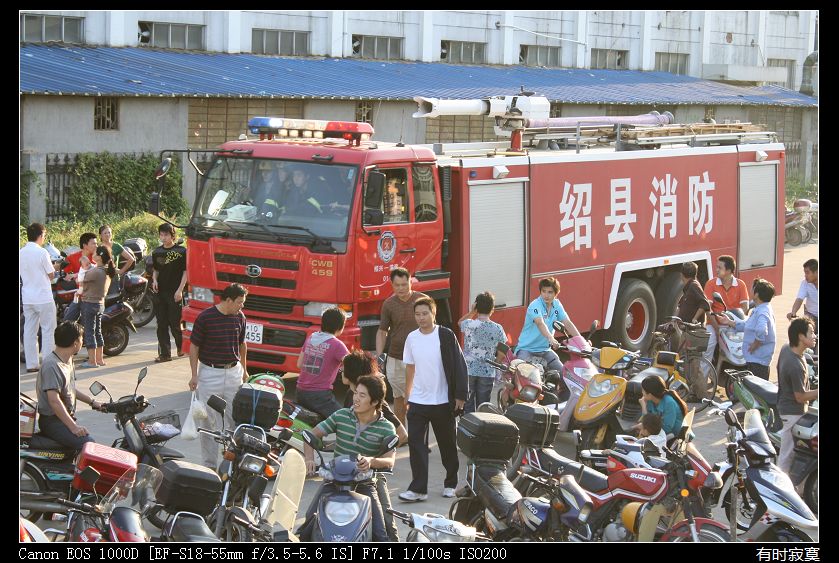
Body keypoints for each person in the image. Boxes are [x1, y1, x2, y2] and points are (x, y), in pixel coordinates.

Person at [300, 376, 396, 542]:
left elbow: (390, 460)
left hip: (365, 483)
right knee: (310, 519)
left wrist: (371, 461)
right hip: (334, 480)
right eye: (355, 393)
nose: (356, 398)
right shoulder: (341, 415)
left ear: (375, 402)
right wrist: (309, 458)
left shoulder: (386, 427)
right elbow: (311, 435)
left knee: (381, 532)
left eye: (362, 395)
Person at [398, 297, 468, 502]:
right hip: (418, 401)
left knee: (447, 444)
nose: (421, 318)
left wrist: (460, 396)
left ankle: (450, 483)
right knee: (416, 445)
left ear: (433, 313)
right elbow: (410, 367)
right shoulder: (412, 338)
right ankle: (418, 489)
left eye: (425, 313)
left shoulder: (445, 335)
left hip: (442, 401)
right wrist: (407, 393)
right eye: (417, 314)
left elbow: (459, 365)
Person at [340, 350, 407, 542]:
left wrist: (376, 457)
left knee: (385, 524)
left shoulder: (375, 401)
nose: (340, 372)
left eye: (343, 368)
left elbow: (401, 434)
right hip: (347, 472)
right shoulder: (350, 396)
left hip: (372, 474)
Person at [188, 283, 249, 469]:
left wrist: (245, 369)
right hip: (209, 373)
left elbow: (242, 344)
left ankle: (230, 463)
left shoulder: (240, 317)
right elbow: (194, 347)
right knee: (208, 421)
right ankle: (209, 465)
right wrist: (194, 375)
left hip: (233, 372)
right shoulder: (205, 317)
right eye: (239, 302)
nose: (242, 306)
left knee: (235, 420)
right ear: (228, 300)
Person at [35, 321, 105, 449]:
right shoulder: (52, 365)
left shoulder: (67, 360)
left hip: (62, 418)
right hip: (52, 421)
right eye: (81, 338)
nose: (82, 341)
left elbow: (70, 389)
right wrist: (73, 427)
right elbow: (54, 400)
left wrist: (92, 402)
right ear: (75, 342)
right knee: (88, 445)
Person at [376, 268, 429, 428]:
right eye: (397, 285)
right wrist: (380, 356)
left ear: (410, 281)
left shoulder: (423, 301)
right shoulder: (388, 304)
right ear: (391, 284)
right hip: (395, 357)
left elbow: (432, 329)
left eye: (404, 284)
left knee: (418, 398)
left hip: (419, 359)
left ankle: (419, 436)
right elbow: (382, 331)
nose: (401, 288)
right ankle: (402, 435)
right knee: (399, 398)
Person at [777, 317, 818, 474]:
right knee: (787, 455)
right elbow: (800, 397)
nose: (815, 336)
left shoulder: (787, 348)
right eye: (811, 333)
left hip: (785, 404)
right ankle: (780, 490)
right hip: (792, 412)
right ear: (801, 337)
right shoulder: (795, 366)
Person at [515, 277, 580, 372]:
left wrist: (581, 341)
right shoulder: (535, 305)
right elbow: (540, 323)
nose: (546, 295)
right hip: (526, 349)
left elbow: (567, 323)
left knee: (564, 374)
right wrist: (551, 339)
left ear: (556, 293)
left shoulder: (557, 305)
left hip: (545, 350)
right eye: (543, 291)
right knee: (524, 375)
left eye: (550, 292)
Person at [717, 278, 776, 380]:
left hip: (758, 361)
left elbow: (761, 330)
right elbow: (748, 325)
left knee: (756, 391)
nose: (751, 290)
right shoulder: (760, 309)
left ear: (756, 295)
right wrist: (729, 322)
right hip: (756, 359)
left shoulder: (762, 312)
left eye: (753, 289)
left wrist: (755, 344)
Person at [458, 291, 507, 414]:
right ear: (492, 309)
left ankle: (468, 428)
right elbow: (503, 349)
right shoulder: (497, 328)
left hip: (468, 369)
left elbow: (459, 323)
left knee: (467, 404)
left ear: (476, 307)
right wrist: (497, 362)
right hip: (487, 371)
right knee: (483, 405)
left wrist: (472, 312)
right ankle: (481, 429)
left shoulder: (469, 324)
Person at [295, 308, 350, 419]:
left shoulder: (311, 338)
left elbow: (299, 364)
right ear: (340, 326)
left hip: (300, 391)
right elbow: (353, 365)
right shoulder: (337, 345)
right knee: (345, 420)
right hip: (320, 395)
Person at [20, 223, 59, 373]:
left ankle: (32, 364)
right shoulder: (42, 252)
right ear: (41, 235)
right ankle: (48, 364)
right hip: (43, 297)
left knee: (29, 331)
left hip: (28, 297)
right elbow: (51, 274)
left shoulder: (21, 252)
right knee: (48, 330)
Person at [703, 255, 750, 369]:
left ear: (729, 271)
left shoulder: (740, 284)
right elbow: (707, 309)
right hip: (714, 324)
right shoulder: (711, 284)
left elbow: (745, 308)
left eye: (720, 267)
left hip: (734, 325)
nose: (716, 270)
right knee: (709, 344)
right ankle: (702, 379)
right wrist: (716, 327)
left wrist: (733, 322)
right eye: (716, 267)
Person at [152, 223, 187, 362]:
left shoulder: (181, 251)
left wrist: (180, 290)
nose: (163, 237)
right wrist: (154, 280)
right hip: (160, 292)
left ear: (172, 235)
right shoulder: (157, 252)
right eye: (161, 234)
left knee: (175, 324)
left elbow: (186, 272)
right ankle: (165, 354)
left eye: (166, 234)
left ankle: (181, 348)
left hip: (175, 292)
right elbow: (156, 269)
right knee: (161, 324)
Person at [79, 246, 116, 368]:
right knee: (98, 331)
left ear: (99, 257)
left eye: (95, 253)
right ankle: (99, 359)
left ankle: (92, 361)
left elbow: (82, 279)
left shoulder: (96, 271)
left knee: (89, 332)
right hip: (100, 304)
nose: (92, 255)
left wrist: (84, 264)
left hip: (90, 303)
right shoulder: (106, 271)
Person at [63, 232, 99, 322]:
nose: (96, 246)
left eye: (96, 243)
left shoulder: (97, 258)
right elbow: (66, 273)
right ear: (85, 245)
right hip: (79, 296)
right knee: (67, 320)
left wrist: (75, 275)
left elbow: (92, 271)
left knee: (87, 325)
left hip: (92, 298)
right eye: (94, 243)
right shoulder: (73, 257)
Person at [787, 259, 818, 352]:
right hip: (810, 317)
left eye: (807, 273)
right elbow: (799, 299)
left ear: (816, 272)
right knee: (808, 346)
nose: (805, 276)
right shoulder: (805, 283)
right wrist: (793, 313)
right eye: (805, 273)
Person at [98, 224, 135, 295]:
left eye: (109, 232)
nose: (107, 235)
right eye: (105, 233)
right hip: (101, 279)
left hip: (113, 279)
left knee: (113, 300)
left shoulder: (116, 246)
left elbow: (131, 259)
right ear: (100, 235)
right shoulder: (98, 248)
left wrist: (121, 271)